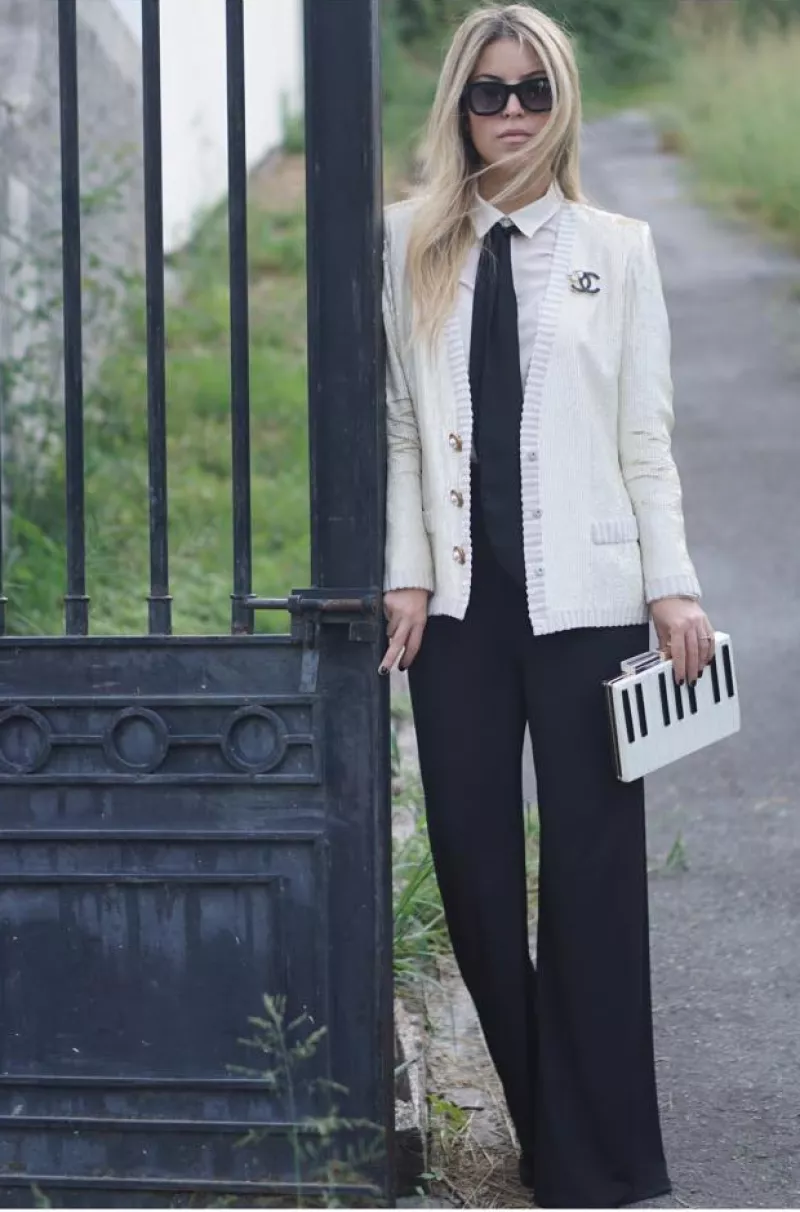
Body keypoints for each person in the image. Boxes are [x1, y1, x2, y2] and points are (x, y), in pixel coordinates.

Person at [378, 2, 715, 1207]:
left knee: (591, 884)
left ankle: (595, 1161)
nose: (511, 112)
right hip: (461, 616)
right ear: (457, 108)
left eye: (531, 91)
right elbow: (403, 432)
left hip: (590, 606)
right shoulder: (408, 241)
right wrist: (405, 569)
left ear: (558, 102)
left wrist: (669, 585)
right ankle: (542, 1111)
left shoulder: (614, 248)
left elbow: (644, 433)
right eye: (488, 92)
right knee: (472, 876)